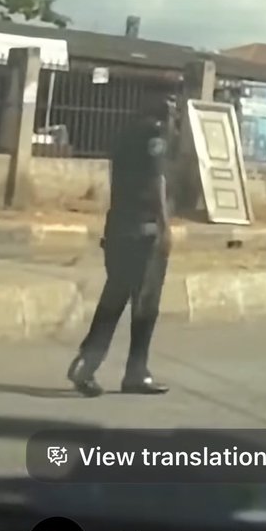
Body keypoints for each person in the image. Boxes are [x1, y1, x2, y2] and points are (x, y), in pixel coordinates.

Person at [67, 93, 177, 397]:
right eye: (173, 110)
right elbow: (157, 182)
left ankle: (87, 362)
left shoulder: (124, 134)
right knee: (145, 306)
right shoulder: (155, 137)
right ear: (164, 111)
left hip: (118, 228)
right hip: (144, 231)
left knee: (114, 298)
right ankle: (136, 373)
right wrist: (165, 227)